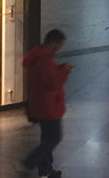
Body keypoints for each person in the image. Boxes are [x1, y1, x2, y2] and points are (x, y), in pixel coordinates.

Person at [22, 29, 73, 178]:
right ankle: (29, 163)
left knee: (46, 139)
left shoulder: (38, 57)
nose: (59, 50)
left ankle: (45, 170)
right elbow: (53, 83)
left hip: (41, 104)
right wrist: (65, 70)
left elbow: (46, 77)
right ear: (53, 43)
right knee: (53, 138)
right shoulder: (44, 60)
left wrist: (58, 68)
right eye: (59, 46)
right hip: (49, 107)